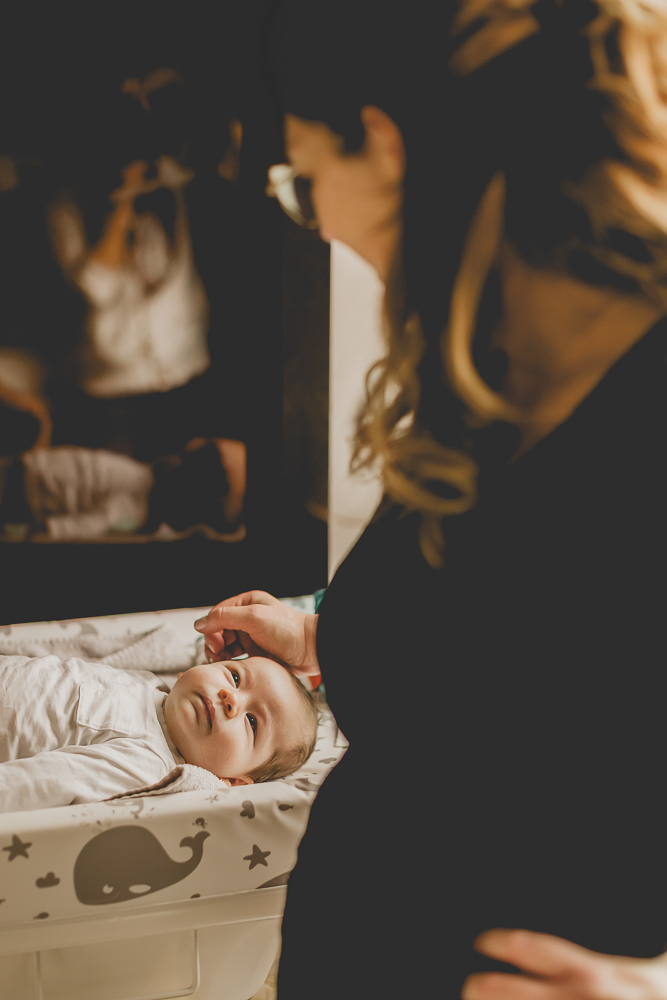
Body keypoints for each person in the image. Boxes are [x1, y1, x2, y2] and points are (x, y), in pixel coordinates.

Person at [194, 2, 667, 998]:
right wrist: (318, 636)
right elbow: (519, 677)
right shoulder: (487, 375)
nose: (318, 223)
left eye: (303, 182)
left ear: (385, 147)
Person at [0, 652, 319, 813]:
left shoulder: (148, 764)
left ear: (233, 780)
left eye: (252, 722)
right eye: (235, 677)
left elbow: (44, 781)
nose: (231, 698)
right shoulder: (150, 683)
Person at [0, 437, 246, 542]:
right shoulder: (143, 477)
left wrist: (50, 530)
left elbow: (89, 525)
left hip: (24, 491)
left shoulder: (134, 511)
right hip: (29, 470)